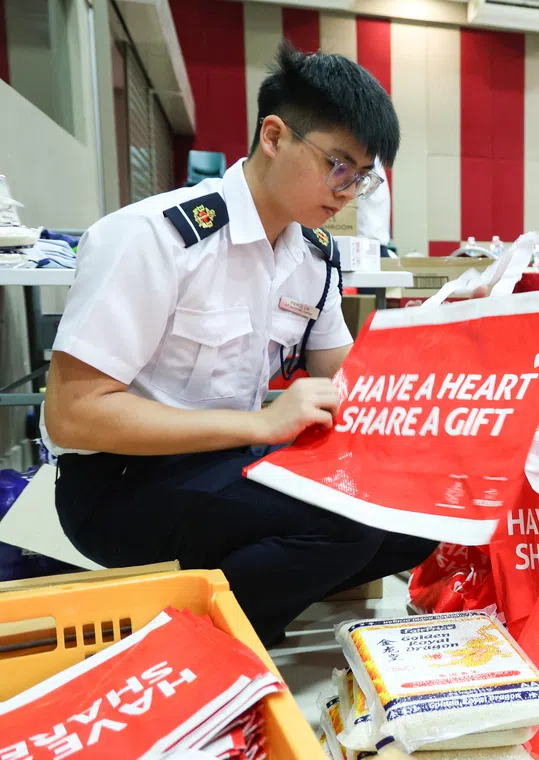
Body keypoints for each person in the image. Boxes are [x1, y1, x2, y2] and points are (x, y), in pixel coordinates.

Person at [42, 43, 438, 645]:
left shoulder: (312, 255)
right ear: (274, 137)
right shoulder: (155, 237)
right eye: (338, 165)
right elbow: (73, 416)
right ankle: (189, 646)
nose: (346, 191)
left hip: (227, 467)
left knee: (420, 516)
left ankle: (248, 589)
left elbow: (348, 376)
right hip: (119, 486)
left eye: (361, 178)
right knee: (344, 528)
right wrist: (261, 424)